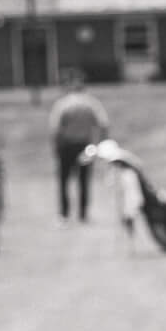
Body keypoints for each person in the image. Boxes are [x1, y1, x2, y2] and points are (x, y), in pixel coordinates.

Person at [49, 70, 109, 220]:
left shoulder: (62, 104)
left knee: (64, 181)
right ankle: (83, 214)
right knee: (84, 180)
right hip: (85, 146)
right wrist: (99, 144)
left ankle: (64, 214)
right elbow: (103, 124)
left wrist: (55, 147)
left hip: (66, 146)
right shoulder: (91, 103)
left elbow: (55, 129)